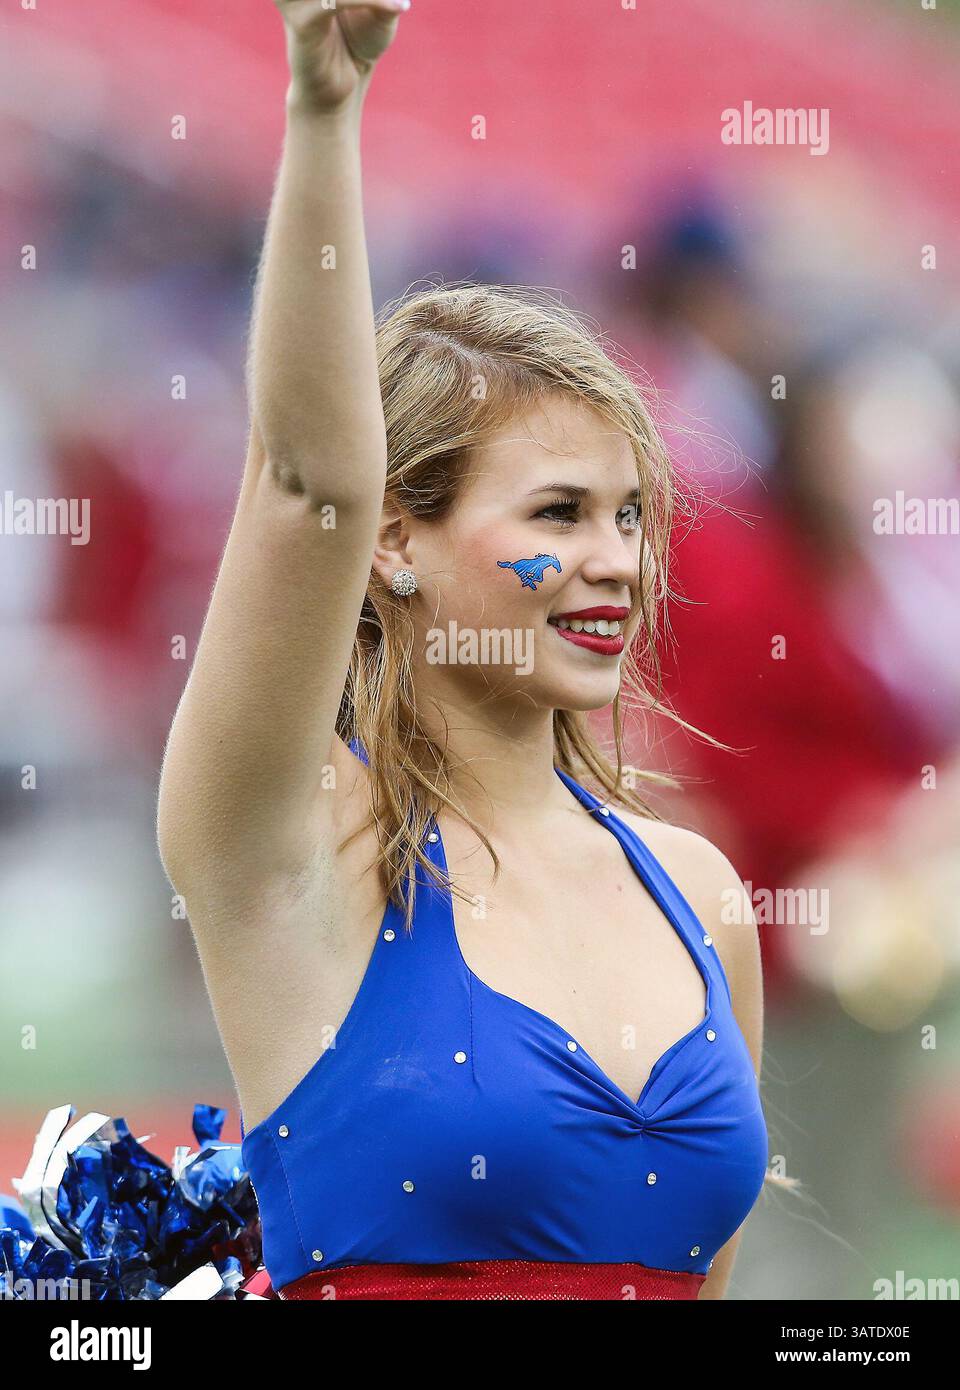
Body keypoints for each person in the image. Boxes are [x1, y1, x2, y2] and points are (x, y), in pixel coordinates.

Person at [157, 0, 772, 1301]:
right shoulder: (292, 847)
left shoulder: (701, 892)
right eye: (557, 512)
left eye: (629, 514)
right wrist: (324, 114)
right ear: (395, 541)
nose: (616, 558)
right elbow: (303, 486)